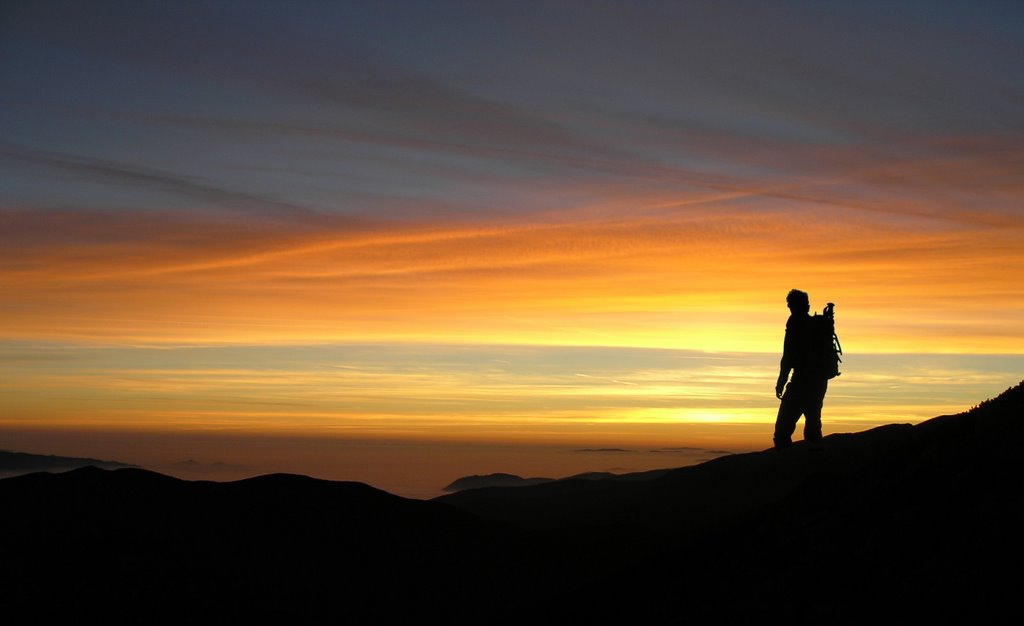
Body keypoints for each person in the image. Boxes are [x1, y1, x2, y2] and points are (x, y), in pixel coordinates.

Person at [773, 289, 828, 449]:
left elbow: (788, 357)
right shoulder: (816, 325)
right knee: (813, 428)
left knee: (782, 431)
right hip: (818, 383)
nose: (789, 308)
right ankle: (815, 466)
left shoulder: (794, 324)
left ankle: (791, 469)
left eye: (790, 305)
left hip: (800, 383)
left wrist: (781, 382)